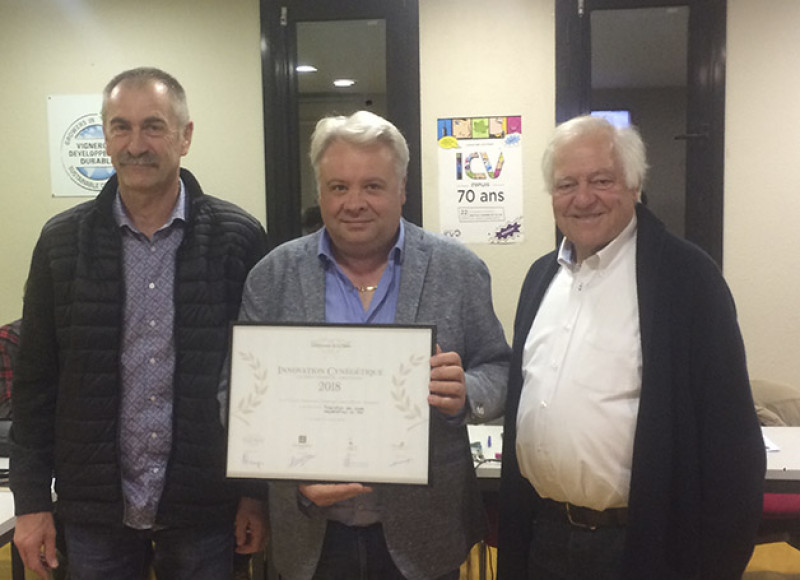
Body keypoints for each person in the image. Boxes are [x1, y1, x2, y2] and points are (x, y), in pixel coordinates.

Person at [10, 67, 269, 580]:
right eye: (120, 127)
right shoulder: (61, 243)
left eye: (153, 126)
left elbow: (259, 381)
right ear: (106, 137)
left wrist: (255, 494)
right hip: (94, 510)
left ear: (185, 136)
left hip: (204, 508)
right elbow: (35, 384)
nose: (135, 144)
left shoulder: (238, 240)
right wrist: (31, 501)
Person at [238, 110, 510, 580]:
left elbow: (500, 369)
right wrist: (290, 471)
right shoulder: (272, 276)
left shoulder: (459, 271)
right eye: (338, 187)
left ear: (401, 189)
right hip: (311, 535)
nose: (354, 203)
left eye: (373, 186)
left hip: (426, 535)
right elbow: (237, 395)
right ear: (320, 193)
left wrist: (467, 390)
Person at [497, 115, 765, 579]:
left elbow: (733, 443)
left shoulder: (687, 278)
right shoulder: (541, 278)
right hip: (545, 538)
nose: (583, 198)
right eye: (566, 184)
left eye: (602, 180)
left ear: (635, 185)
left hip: (643, 547)